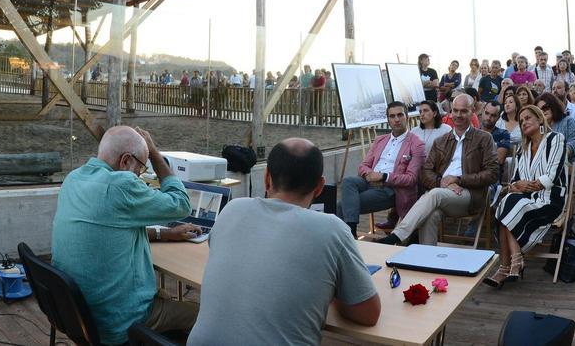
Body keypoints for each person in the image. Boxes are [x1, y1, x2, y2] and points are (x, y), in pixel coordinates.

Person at [189, 139, 379, 345]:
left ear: (267, 178)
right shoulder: (332, 229)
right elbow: (368, 314)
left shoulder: (232, 209)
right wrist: (331, 290)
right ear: (319, 187)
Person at [51, 127, 201, 344]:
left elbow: (108, 228)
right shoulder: (121, 185)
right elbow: (181, 203)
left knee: (165, 296)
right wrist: (154, 152)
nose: (140, 176)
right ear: (125, 161)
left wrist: (166, 233)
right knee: (203, 316)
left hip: (79, 316)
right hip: (119, 323)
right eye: (140, 168)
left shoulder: (74, 179)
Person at [377, 94, 500, 247]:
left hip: (470, 196)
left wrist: (459, 180)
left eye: (463, 111)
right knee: (430, 215)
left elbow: (493, 173)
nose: (458, 115)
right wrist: (443, 183)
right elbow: (425, 172)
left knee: (433, 194)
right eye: (455, 111)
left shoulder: (484, 138)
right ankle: (428, 259)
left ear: (472, 111)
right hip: (444, 193)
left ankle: (398, 235)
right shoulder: (441, 141)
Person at [485, 105, 568, 288]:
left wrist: (528, 186)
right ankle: (514, 262)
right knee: (507, 202)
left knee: (507, 204)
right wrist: (518, 186)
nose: (524, 122)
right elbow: (514, 182)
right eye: (521, 121)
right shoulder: (523, 149)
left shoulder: (555, 139)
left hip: (549, 200)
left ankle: (506, 266)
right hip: (524, 201)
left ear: (540, 119)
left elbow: (551, 175)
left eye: (528, 118)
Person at [337, 102, 426, 237]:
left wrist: (384, 177)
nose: (396, 119)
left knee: (341, 205)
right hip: (368, 181)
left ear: (407, 117)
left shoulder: (416, 144)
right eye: (392, 116)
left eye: (400, 115)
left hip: (391, 189)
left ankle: (350, 234)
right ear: (388, 120)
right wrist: (369, 175)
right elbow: (363, 165)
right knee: (348, 181)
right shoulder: (380, 140)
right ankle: (351, 233)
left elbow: (411, 179)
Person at [535, 92, 575, 162]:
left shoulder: (567, 121)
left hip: (564, 162)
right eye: (539, 110)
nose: (542, 112)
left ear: (553, 106)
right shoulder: (538, 126)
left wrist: (563, 151)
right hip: (541, 162)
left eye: (545, 108)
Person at [479, 100, 513, 168]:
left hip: (492, 174)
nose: (489, 118)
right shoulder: (473, 133)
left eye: (493, 115)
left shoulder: (503, 134)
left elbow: (499, 159)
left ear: (498, 118)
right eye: (487, 113)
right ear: (482, 112)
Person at [499, 86, 524, 151]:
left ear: (517, 105)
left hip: (518, 154)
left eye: (510, 102)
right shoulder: (501, 120)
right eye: (505, 103)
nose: (507, 105)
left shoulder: (523, 121)